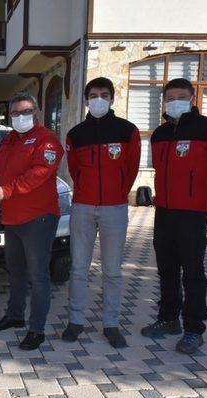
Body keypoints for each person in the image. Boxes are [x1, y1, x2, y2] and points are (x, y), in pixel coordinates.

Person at [141, 78, 207, 354]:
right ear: (164, 101)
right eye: (169, 97)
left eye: (181, 96)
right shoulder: (159, 134)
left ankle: (194, 328)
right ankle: (169, 319)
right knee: (167, 268)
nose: (174, 101)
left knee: (193, 272)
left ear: (192, 98)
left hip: (194, 214)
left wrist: (206, 194)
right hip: (165, 212)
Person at [61, 77, 141, 348]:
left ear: (112, 98)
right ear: (85, 100)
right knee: (79, 269)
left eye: (104, 95)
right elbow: (74, 170)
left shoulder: (128, 131)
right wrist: (85, 191)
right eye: (93, 95)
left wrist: (117, 193)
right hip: (83, 207)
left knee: (112, 271)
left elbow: (130, 170)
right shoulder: (75, 134)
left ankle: (111, 324)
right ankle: (75, 321)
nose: (98, 99)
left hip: (114, 209)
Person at [0, 92, 63, 351]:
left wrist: (5, 191)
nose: (20, 116)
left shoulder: (47, 141)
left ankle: (36, 329)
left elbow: (38, 174)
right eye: (15, 113)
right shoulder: (7, 141)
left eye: (25, 111)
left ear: (36, 113)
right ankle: (15, 315)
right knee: (15, 271)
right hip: (12, 217)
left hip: (38, 217)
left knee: (38, 276)